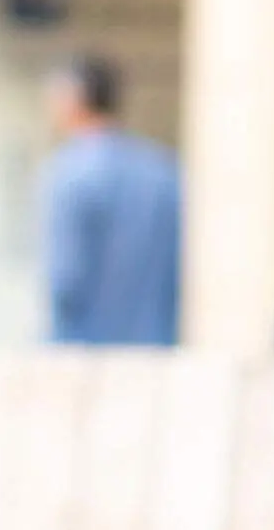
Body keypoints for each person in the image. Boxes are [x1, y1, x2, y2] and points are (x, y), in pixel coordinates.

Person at [42, 54, 182, 347]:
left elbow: (65, 281)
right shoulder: (164, 171)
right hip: (155, 352)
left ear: (73, 101)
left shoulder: (69, 174)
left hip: (86, 360)